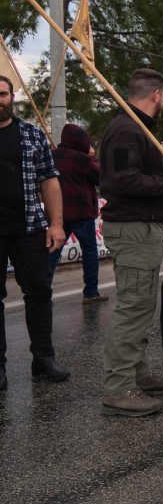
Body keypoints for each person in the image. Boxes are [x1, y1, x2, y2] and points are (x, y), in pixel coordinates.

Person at [98, 68, 163, 416]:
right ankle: (118, 388)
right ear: (157, 95)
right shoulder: (127, 129)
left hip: (142, 228)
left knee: (141, 305)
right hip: (133, 229)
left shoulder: (136, 127)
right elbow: (124, 181)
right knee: (133, 307)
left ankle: (136, 374)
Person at [0, 75, 71, 392]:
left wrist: (56, 224)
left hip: (29, 227)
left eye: (2, 94)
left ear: (12, 97)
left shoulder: (31, 134)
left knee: (40, 293)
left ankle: (43, 358)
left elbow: (49, 179)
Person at [47, 122, 105, 303]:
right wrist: (92, 158)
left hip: (57, 213)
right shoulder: (82, 159)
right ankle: (91, 292)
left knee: (52, 252)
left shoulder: (52, 155)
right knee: (89, 251)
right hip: (81, 212)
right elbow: (101, 178)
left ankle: (42, 290)